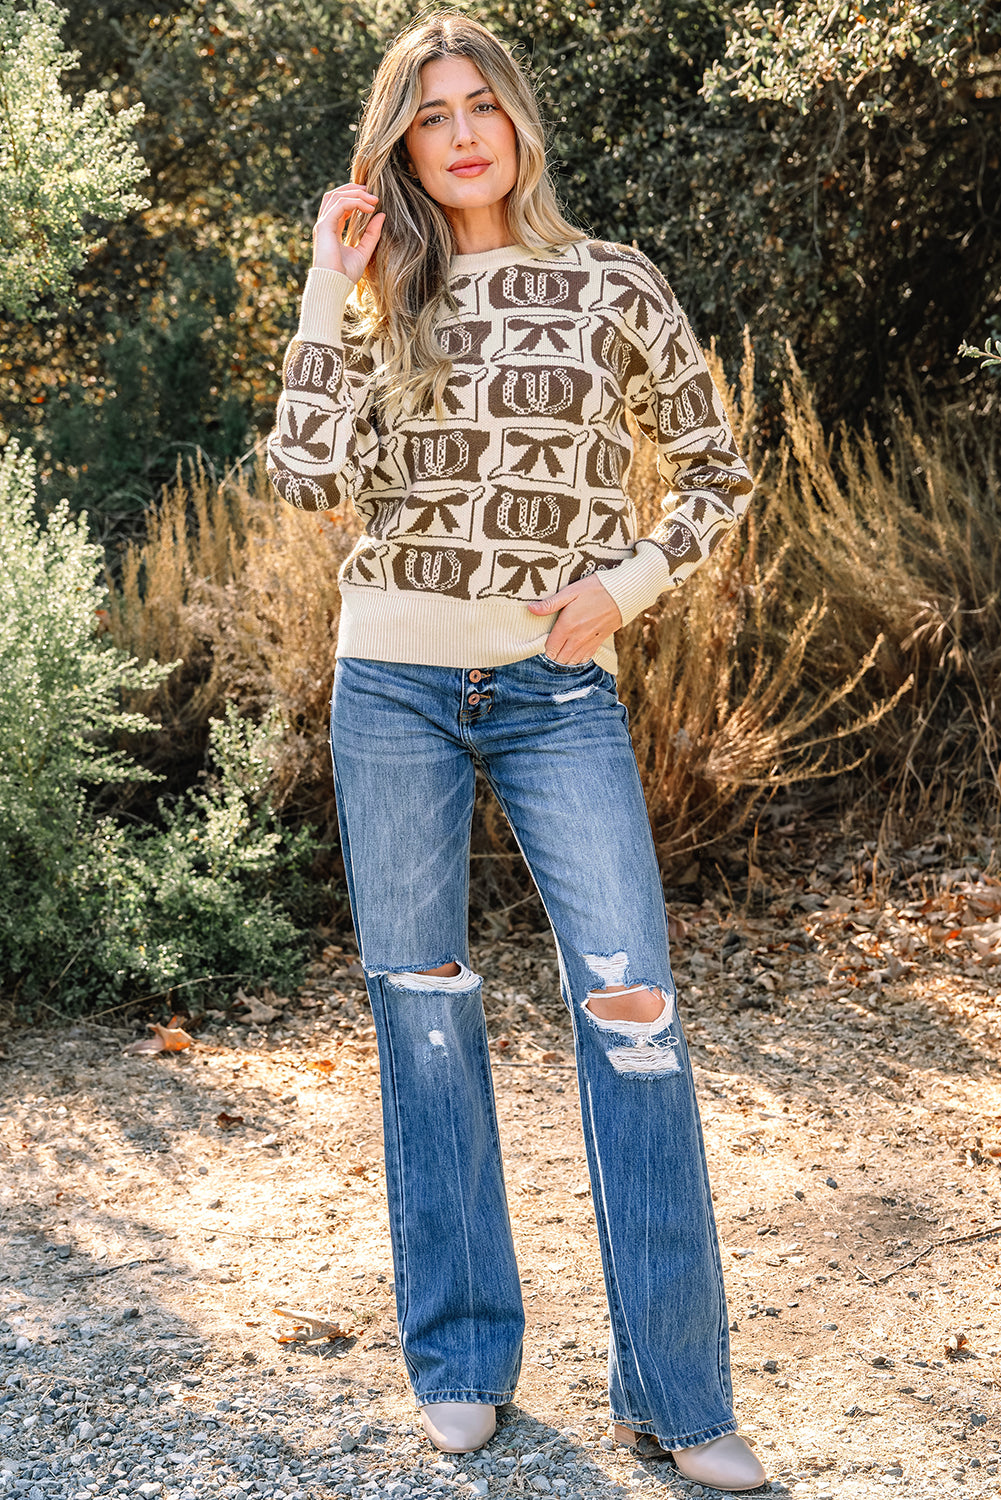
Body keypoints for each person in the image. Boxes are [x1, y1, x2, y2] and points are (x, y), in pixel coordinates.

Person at [267, 13, 765, 1491]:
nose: (464, 132)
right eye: (432, 118)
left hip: (556, 696)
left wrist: (624, 586)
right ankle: (464, 1356)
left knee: (632, 1011)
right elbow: (302, 475)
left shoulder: (613, 281)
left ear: (518, 119)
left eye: (482, 105)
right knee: (424, 1016)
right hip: (394, 687)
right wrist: (323, 281)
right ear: (400, 145)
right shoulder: (380, 298)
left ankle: (675, 1392)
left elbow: (716, 467)